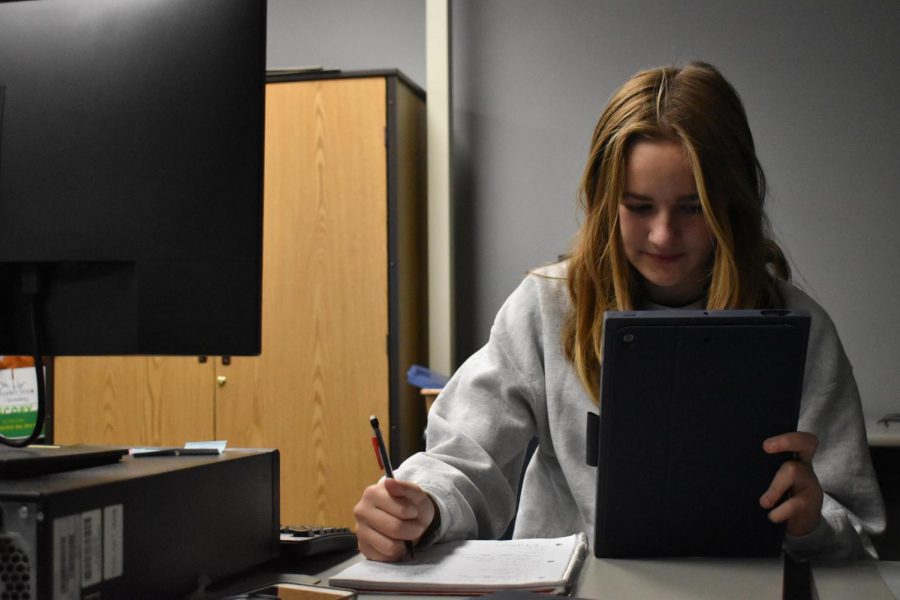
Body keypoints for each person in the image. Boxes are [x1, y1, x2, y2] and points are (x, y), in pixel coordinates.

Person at [353, 61, 886, 562]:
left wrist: (812, 522)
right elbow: (464, 457)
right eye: (638, 208)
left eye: (692, 207)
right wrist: (420, 504)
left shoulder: (798, 328)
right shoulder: (547, 306)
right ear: (606, 202)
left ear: (733, 203)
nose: (662, 235)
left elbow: (859, 536)